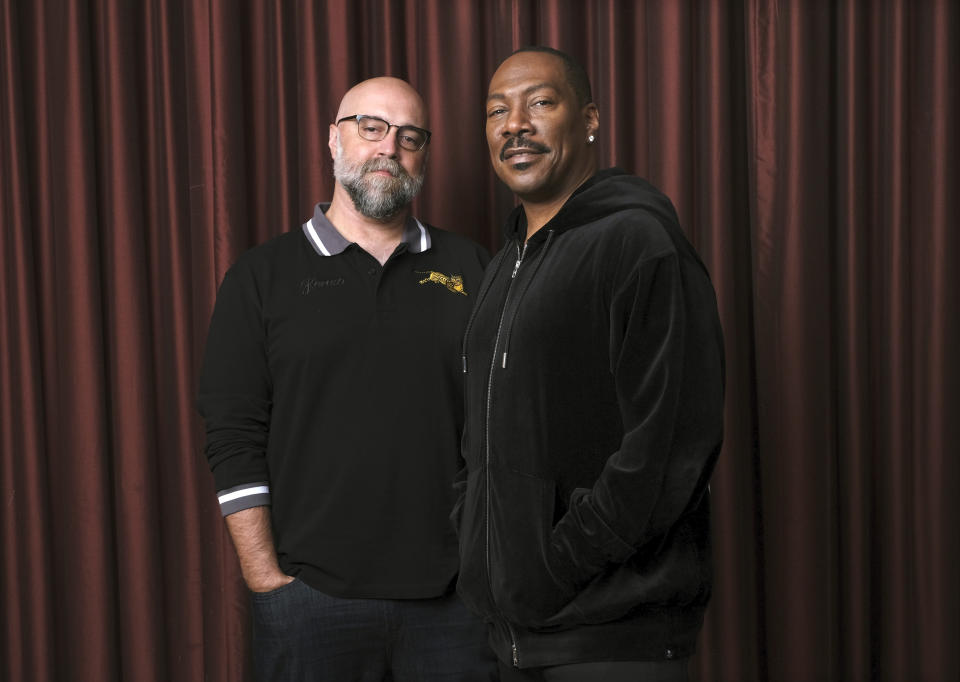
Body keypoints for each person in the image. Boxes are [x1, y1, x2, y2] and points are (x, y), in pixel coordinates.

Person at [198, 76, 497, 682]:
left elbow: (501, 423)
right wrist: (269, 583)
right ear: (333, 141)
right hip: (311, 600)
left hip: (453, 605)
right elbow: (233, 436)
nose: (389, 148)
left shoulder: (472, 267)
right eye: (372, 128)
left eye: (410, 137)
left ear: (424, 156)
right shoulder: (261, 277)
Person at [453, 47, 725, 681]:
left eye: (539, 103)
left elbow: (670, 448)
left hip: (612, 638)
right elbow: (478, 440)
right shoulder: (504, 267)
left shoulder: (639, 242)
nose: (513, 123)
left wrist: (556, 564)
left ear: (591, 119)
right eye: (497, 110)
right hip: (518, 639)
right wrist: (476, 541)